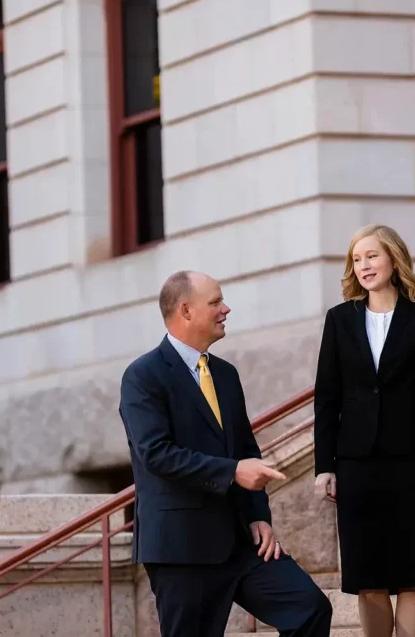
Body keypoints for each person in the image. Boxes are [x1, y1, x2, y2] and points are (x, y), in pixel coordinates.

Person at [119, 270, 333, 637]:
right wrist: (233, 472)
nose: (226, 308)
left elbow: (246, 450)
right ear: (185, 310)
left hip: (240, 542)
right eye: (215, 302)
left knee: (309, 607)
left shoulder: (226, 374)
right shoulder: (143, 376)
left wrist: (259, 515)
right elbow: (155, 454)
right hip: (181, 548)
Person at [313, 224, 415, 637]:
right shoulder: (339, 320)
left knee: (414, 575)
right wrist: (325, 466)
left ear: (393, 257)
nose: (363, 266)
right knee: (368, 576)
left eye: (371, 256)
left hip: (413, 466)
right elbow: (326, 398)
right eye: (357, 259)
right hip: (356, 466)